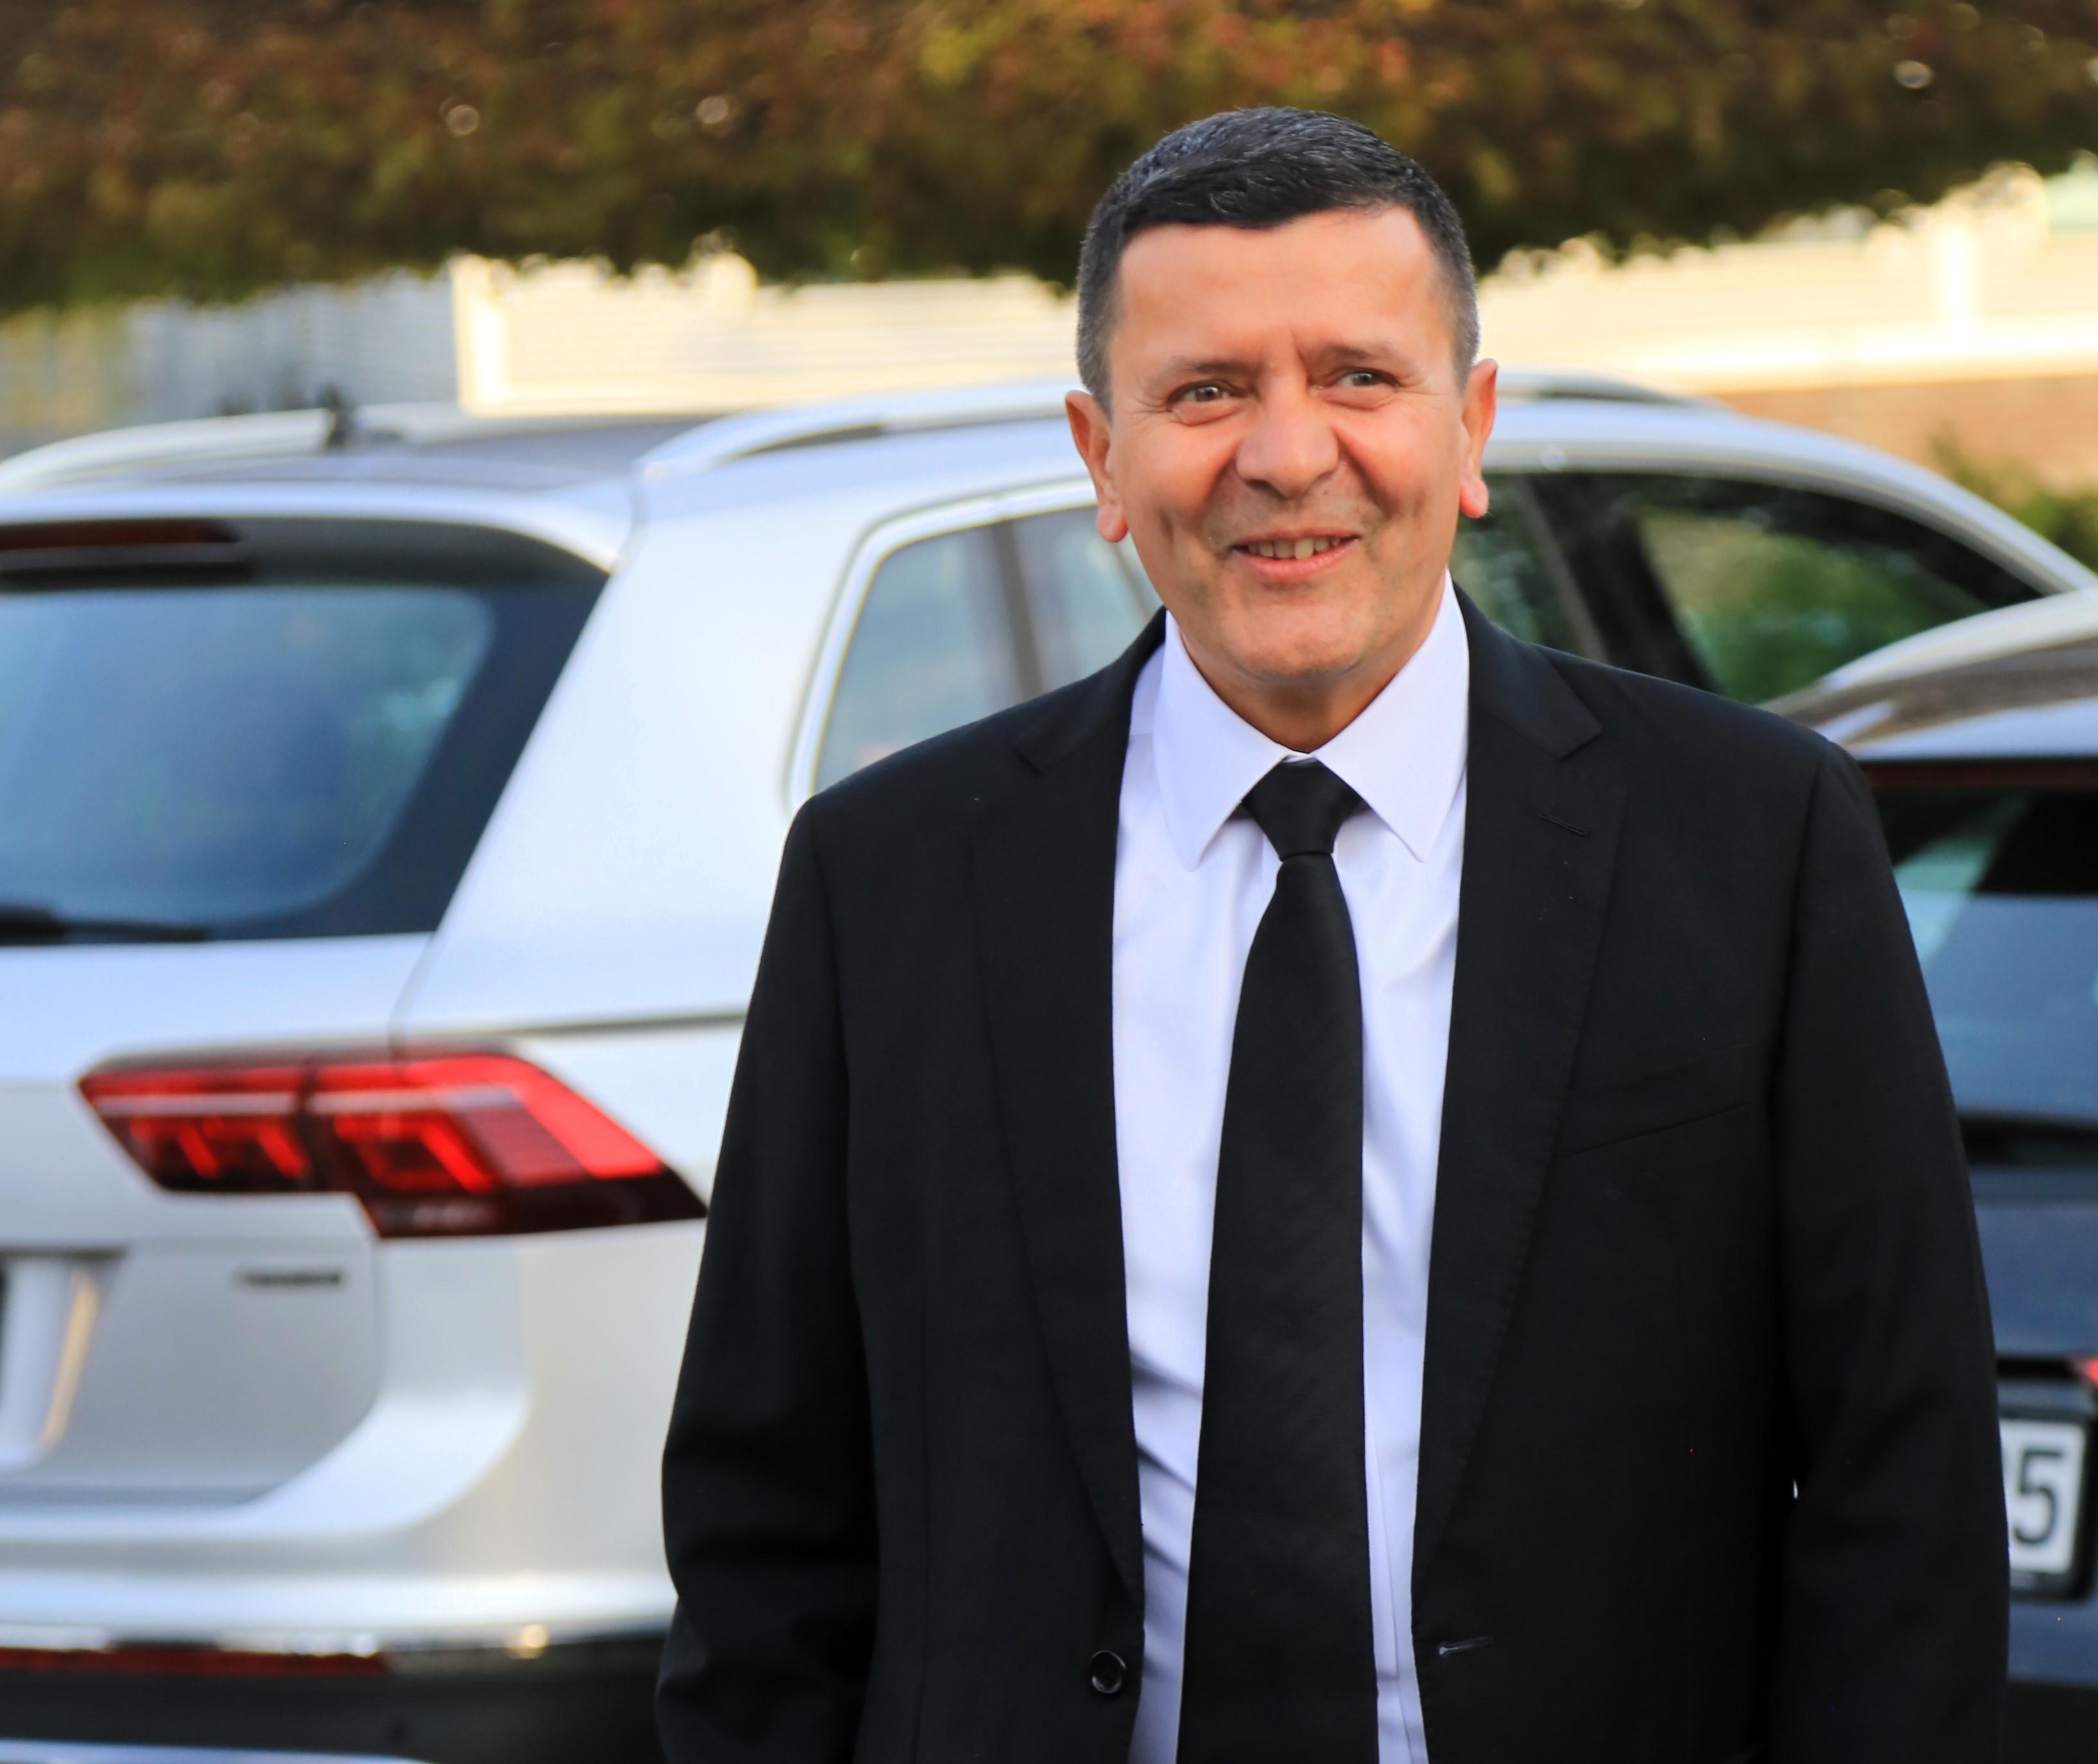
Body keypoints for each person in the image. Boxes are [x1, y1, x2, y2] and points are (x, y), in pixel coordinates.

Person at [656, 107, 2007, 1764]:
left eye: (1360, 377)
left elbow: (1903, 1474)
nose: (1289, 457)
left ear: (1471, 425)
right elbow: (768, 1511)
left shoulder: (1755, 837)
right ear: (1100, 456)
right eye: (1205, 393)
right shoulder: (891, 876)